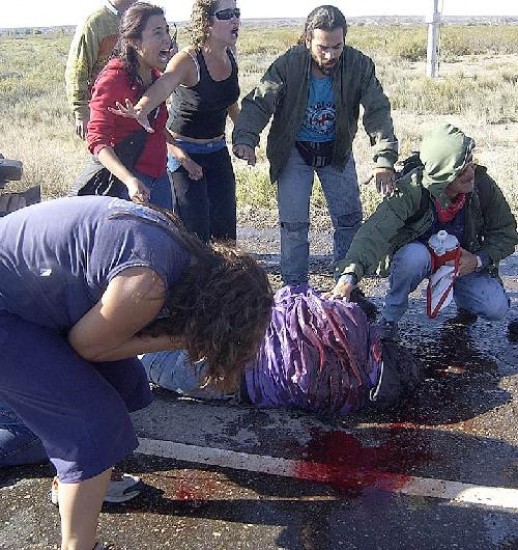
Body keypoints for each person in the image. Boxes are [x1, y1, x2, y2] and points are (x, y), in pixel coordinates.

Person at [0, 195, 272, 550]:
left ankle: (77, 480)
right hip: (7, 314)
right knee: (93, 425)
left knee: (124, 383)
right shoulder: (147, 284)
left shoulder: (182, 256)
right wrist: (181, 338)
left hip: (30, 303)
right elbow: (88, 347)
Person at [232, 5, 398, 291]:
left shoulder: (358, 65)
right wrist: (246, 137)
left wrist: (384, 159)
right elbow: (260, 102)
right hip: (294, 151)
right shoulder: (288, 64)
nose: (331, 55)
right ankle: (295, 291)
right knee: (294, 225)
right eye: (323, 47)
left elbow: (377, 110)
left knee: (348, 220)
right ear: (308, 39)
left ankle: (346, 287)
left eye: (337, 46)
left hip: (336, 151)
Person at [328, 122, 518, 339]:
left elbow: (506, 233)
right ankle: (390, 319)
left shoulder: (483, 187)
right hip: (420, 258)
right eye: (461, 169)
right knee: (413, 257)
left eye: (471, 163)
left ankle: (466, 307)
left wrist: (477, 260)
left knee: (496, 308)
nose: (470, 173)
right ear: (443, 173)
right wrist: (348, 277)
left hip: (460, 263)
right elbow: (373, 234)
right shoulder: (411, 189)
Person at [141, 285, 423, 416]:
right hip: (235, 383)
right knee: (143, 359)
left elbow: (289, 296)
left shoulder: (353, 317)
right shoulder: (354, 397)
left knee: (160, 319)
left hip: (239, 329)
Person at [111, 0, 241, 243]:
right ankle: (194, 280)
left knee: (225, 232)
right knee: (194, 234)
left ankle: (225, 280)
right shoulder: (188, 60)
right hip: (184, 151)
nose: (234, 19)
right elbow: (164, 84)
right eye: (226, 14)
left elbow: (229, 101)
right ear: (207, 23)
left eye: (236, 13)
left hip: (217, 149)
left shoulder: (231, 55)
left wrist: (245, 137)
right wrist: (142, 108)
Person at [71, 2, 177, 209]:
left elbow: (158, 129)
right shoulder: (114, 79)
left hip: (159, 177)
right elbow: (97, 141)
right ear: (134, 41)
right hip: (128, 185)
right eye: (157, 33)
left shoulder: (156, 77)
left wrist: (183, 156)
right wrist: (129, 180)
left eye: (167, 31)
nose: (167, 39)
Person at [65, 0, 137, 140]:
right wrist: (81, 111)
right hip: (104, 109)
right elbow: (78, 69)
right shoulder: (96, 22)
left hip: (135, 107)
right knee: (105, 156)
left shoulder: (141, 18)